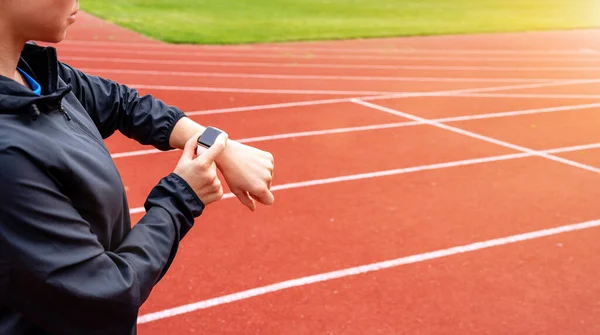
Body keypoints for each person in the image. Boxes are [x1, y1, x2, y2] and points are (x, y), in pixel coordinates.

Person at [0, 0, 275, 334]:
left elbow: (121, 103)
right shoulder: (8, 156)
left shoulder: (32, 73)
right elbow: (105, 293)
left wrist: (218, 146)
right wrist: (181, 197)